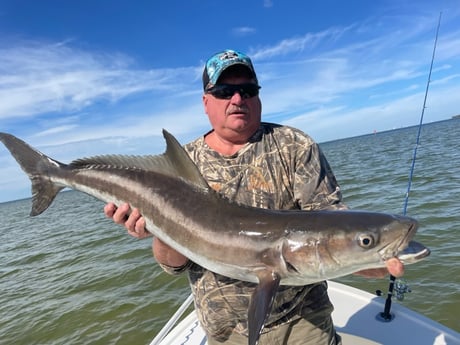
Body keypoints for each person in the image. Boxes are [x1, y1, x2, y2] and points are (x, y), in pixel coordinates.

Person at [104, 49, 404, 344]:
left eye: (248, 90)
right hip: (224, 331)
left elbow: (330, 223)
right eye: (224, 91)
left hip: (305, 322)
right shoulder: (185, 165)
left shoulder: (294, 146)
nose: (238, 99)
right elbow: (173, 265)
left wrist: (363, 258)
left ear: (258, 96)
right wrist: (157, 224)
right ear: (205, 102)